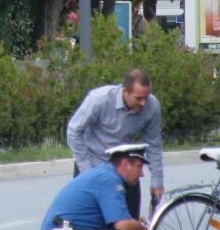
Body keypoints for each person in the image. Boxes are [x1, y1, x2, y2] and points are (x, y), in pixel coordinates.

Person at [66, 69, 164, 220]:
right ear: (125, 92)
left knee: (130, 222)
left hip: (125, 167)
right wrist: (88, 173)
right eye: (138, 98)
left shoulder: (152, 106)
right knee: (91, 221)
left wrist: (157, 181)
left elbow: (154, 144)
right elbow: (74, 131)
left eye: (146, 97)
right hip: (93, 161)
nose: (143, 103)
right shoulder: (100, 99)